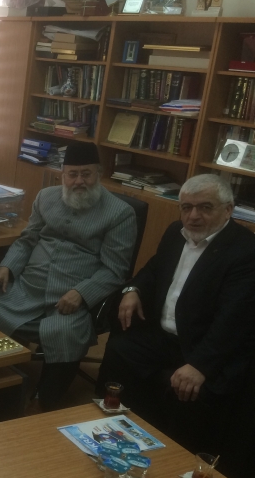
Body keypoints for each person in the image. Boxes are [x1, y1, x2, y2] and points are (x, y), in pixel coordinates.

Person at [97, 174, 255, 461]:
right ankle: (116, 422)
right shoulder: (175, 232)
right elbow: (153, 270)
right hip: (165, 336)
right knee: (121, 349)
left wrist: (200, 365)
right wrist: (132, 290)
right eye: (186, 207)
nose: (193, 216)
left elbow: (233, 321)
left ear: (228, 210)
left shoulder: (245, 251)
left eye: (205, 207)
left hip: (202, 347)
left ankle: (172, 456)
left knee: (189, 392)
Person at [0, 144, 137, 410]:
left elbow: (115, 270)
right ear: (62, 175)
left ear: (98, 174)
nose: (79, 181)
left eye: (86, 174)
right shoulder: (46, 197)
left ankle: (47, 401)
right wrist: (7, 267)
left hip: (70, 297)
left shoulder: (119, 213)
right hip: (29, 286)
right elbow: (27, 240)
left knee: (65, 333)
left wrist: (82, 293)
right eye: (72, 174)